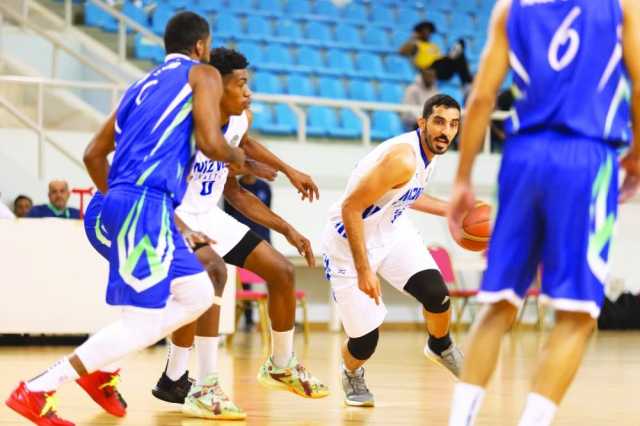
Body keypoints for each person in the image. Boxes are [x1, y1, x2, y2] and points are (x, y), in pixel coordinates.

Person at [5, 11, 245, 426]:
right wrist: (237, 156)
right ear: (201, 46)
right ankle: (39, 388)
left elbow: (92, 155)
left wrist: (119, 199)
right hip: (144, 206)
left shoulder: (139, 86)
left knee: (199, 293)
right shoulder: (203, 74)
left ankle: (104, 368)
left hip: (125, 204)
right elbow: (210, 141)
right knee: (140, 324)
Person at [447, 0, 640, 425]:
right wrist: (637, 157)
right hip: (586, 157)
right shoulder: (622, 6)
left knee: (497, 304)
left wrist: (462, 178)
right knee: (577, 315)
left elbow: (480, 98)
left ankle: (459, 421)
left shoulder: (509, 9)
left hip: (521, 157)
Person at [149, 47, 327, 419]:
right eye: (241, 84)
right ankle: (205, 384)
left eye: (249, 83)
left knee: (282, 271)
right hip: (178, 215)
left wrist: (289, 221)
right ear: (216, 87)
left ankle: (280, 363)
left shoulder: (239, 118)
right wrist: (247, 164)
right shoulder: (191, 127)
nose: (249, 92)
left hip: (210, 216)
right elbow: (231, 161)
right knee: (213, 275)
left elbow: (236, 181)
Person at [322, 94, 464, 407]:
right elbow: (350, 208)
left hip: (392, 231)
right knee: (364, 342)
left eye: (453, 124)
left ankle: (440, 345)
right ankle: (350, 372)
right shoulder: (404, 158)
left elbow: (406, 195)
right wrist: (364, 270)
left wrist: (452, 210)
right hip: (349, 242)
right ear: (423, 122)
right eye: (439, 122)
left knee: (436, 294)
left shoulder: (430, 153)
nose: (446, 131)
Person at [224, 173, 272, 328]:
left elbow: (267, 214)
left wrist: (268, 240)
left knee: (273, 276)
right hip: (239, 239)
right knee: (242, 282)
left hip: (262, 238)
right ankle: (247, 319)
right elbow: (228, 215)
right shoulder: (232, 186)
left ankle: (272, 320)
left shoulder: (264, 188)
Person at [399, 21, 473, 87]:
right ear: (419, 32)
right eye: (424, 31)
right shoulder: (416, 44)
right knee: (455, 55)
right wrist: (413, 38)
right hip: (428, 69)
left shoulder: (434, 45)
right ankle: (467, 81)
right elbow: (402, 52)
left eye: (429, 31)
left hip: (442, 69)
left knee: (460, 54)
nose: (427, 33)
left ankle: (467, 84)